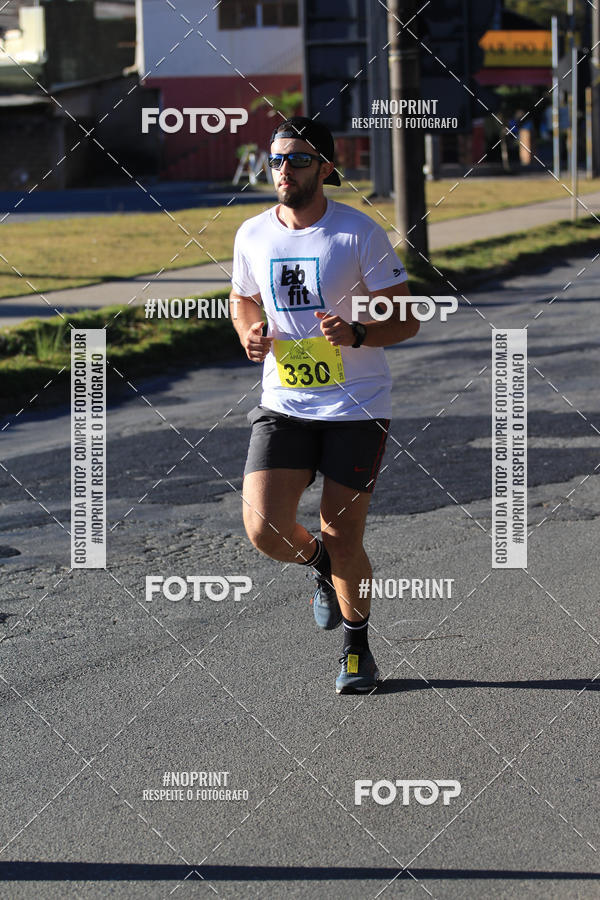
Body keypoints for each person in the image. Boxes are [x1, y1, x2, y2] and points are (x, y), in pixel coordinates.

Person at [229, 116, 419, 693]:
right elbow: (242, 299)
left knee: (343, 534)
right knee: (264, 529)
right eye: (277, 160)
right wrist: (249, 331)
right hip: (284, 401)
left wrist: (359, 333)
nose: (284, 169)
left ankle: (357, 648)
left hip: (355, 406)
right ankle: (320, 568)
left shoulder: (357, 233)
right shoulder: (252, 234)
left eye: (298, 160)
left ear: (327, 169)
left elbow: (404, 318)